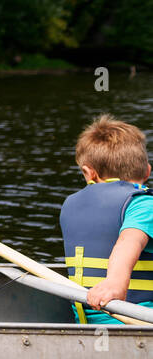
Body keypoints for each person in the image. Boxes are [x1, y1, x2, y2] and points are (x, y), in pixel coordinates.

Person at [59, 114, 153, 324]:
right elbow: (130, 241)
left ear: (88, 173)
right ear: (147, 171)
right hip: (136, 321)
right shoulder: (144, 204)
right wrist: (115, 284)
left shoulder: (70, 205)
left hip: (87, 321)